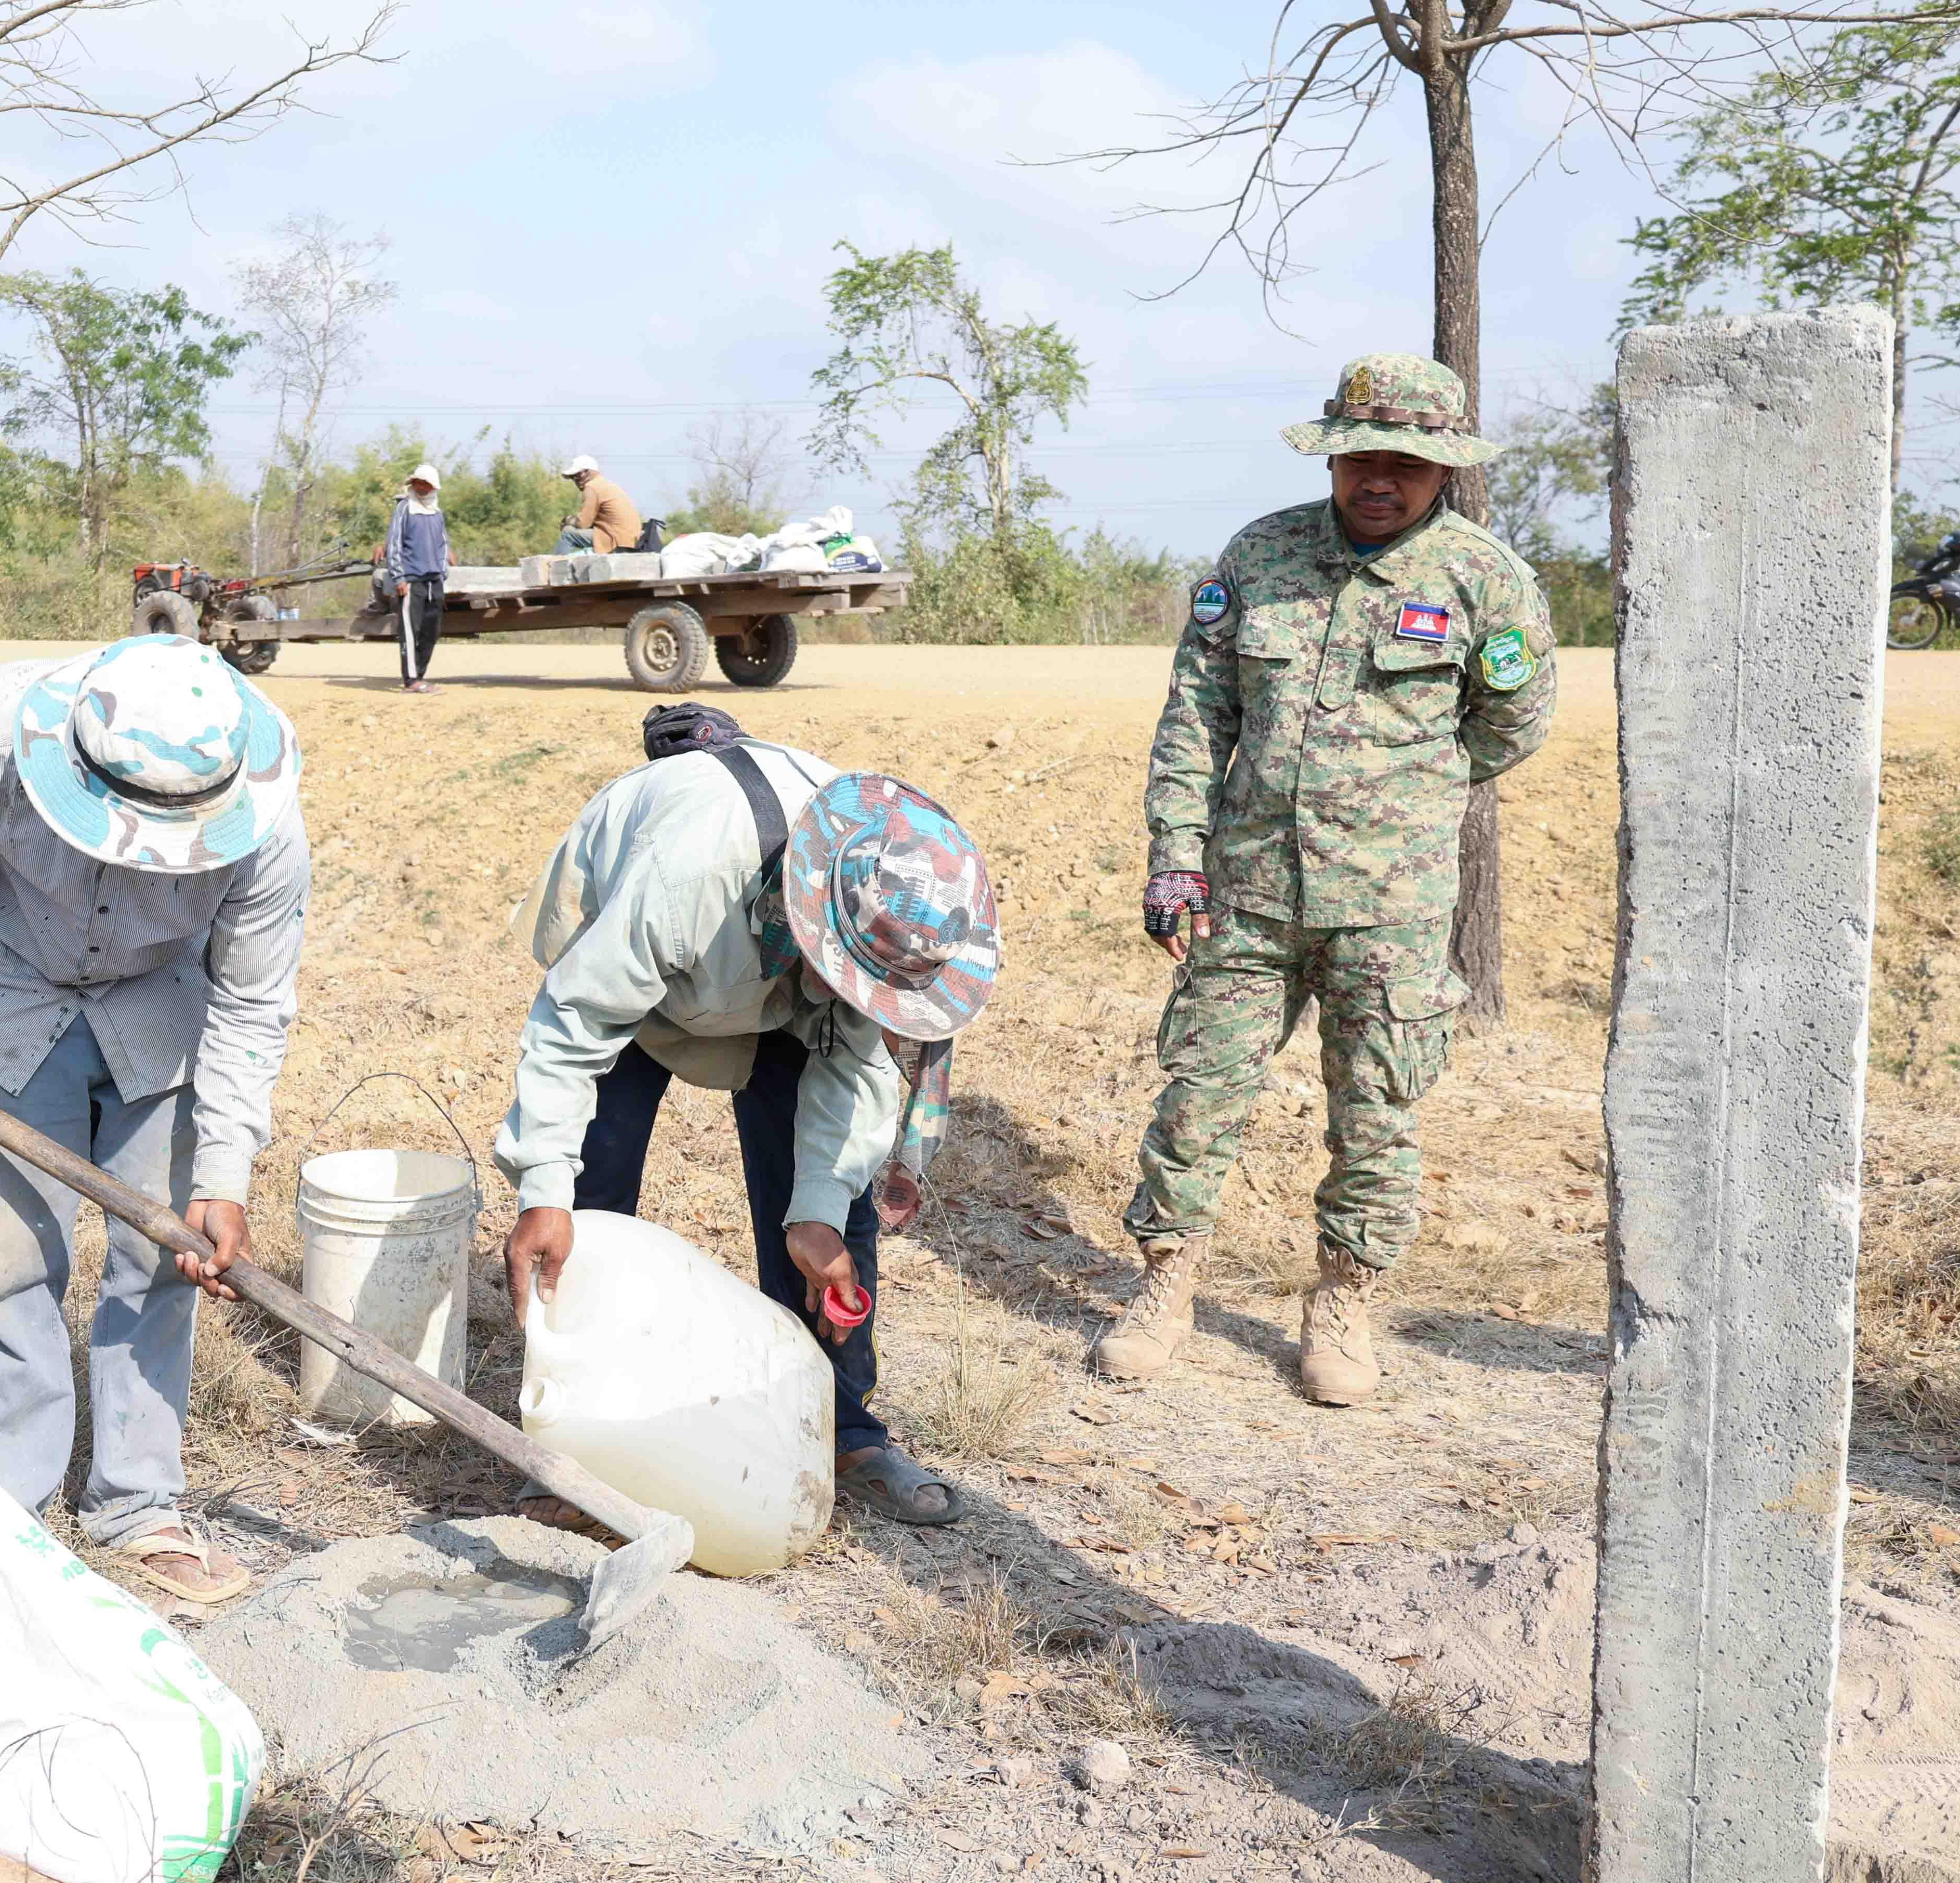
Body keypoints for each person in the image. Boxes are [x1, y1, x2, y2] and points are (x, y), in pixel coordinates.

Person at [1100, 352, 1558, 1407]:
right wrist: (1176, 855)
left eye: (1407, 464)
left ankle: (1343, 1300)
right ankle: (1165, 1283)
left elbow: (1512, 723)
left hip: (1390, 908)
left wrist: (1405, 795)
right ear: (1332, 457)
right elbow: (1196, 715)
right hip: (1246, 892)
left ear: (1445, 470)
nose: (1379, 481)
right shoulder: (1260, 557)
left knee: (1376, 1111)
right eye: (1361, 459)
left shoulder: (1484, 580)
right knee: (1197, 1095)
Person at [0, 632, 308, 1604]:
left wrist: (222, 1176)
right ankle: (3, 1517)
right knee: (5, 1266)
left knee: (163, 1262)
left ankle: (138, 1505)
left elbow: (252, 1001)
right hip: (10, 993)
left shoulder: (265, 825)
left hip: (162, 1008)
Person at [496, 703, 1000, 1525]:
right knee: (588, 1201)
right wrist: (543, 1187)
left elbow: (850, 1076)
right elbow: (576, 1022)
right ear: (816, 926)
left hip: (775, 972)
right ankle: (574, 1445)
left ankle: (837, 1428)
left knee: (834, 1213)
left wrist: (815, 1216)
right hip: (640, 965)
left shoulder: (882, 922)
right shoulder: (681, 880)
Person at [382, 463, 452, 694]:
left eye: (425, 484)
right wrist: (399, 577)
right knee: (411, 631)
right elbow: (394, 543)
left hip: (434, 580)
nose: (421, 488)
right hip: (412, 579)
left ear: (433, 487)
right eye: (417, 483)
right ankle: (411, 679)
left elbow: (443, 544)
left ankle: (420, 675)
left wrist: (442, 572)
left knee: (431, 630)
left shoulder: (437, 512)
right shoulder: (405, 508)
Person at [552, 454, 643, 555]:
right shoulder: (606, 484)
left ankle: (554, 563)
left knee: (568, 532)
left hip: (616, 539)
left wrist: (570, 521)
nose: (575, 480)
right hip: (631, 538)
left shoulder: (592, 487)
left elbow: (583, 524)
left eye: (578, 475)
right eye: (573, 477)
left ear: (589, 472)